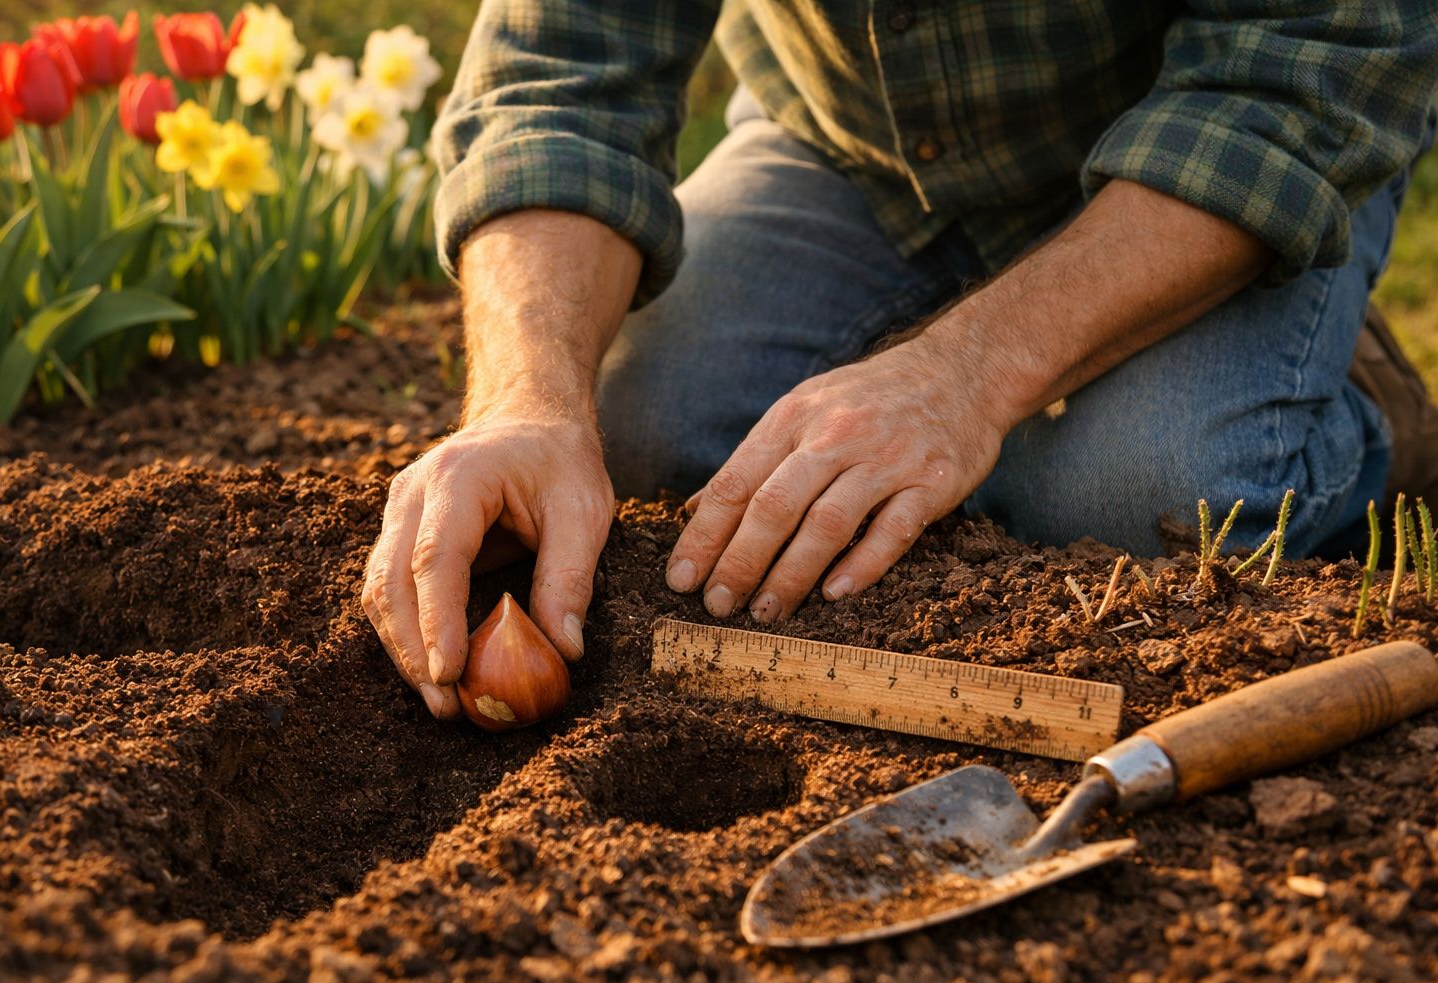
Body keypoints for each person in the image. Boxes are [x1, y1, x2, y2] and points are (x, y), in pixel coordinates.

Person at [363, 2, 1438, 718]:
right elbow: (560, 74)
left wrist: (961, 380)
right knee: (641, 425)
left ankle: (1343, 404)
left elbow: (1312, 66)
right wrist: (527, 401)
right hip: (857, 151)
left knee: (1141, 497)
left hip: (1217, 137)